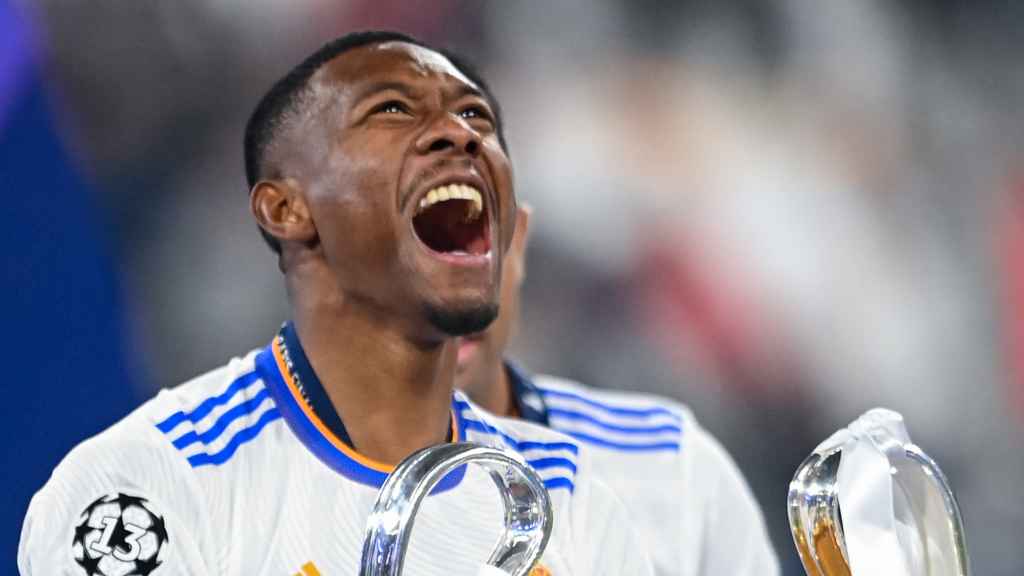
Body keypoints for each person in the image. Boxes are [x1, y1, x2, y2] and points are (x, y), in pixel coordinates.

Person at [18, 31, 654, 576]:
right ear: (287, 209)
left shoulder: (574, 497)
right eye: (394, 111)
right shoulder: (146, 488)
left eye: (478, 119)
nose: (460, 137)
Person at [455, 205, 780, 576]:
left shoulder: (672, 467)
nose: (449, 292)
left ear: (517, 239)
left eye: (470, 244)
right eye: (414, 247)